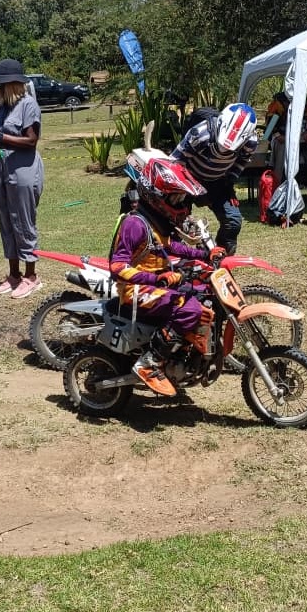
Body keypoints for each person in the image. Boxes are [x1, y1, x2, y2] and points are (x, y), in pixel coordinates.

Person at [110, 158, 223, 396]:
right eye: (175, 199)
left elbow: (172, 246)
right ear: (156, 196)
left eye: (182, 199)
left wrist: (205, 254)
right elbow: (117, 266)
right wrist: (156, 280)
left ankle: (182, 353)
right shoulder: (134, 224)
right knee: (188, 309)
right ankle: (149, 363)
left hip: (156, 284)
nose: (180, 204)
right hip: (134, 290)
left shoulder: (155, 221)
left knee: (204, 296)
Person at [0, 59, 44, 299]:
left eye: (0, 85)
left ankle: (31, 276)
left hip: (23, 171)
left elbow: (31, 141)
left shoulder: (28, 105)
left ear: (11, 85)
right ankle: (14, 274)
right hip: (3, 168)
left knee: (24, 222)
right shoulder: (3, 107)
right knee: (7, 222)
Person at [170, 103, 258, 254]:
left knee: (233, 221)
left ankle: (220, 258)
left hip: (218, 182)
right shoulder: (200, 133)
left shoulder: (250, 142)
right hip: (187, 178)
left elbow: (242, 161)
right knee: (175, 222)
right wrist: (178, 189)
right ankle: (175, 257)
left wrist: (229, 182)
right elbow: (175, 161)